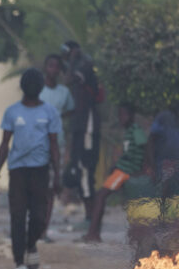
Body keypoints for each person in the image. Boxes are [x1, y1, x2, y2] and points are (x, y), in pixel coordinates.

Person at [0, 69, 62, 269]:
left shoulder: (50, 112)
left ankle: (31, 246)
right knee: (18, 216)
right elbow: (5, 144)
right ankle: (19, 262)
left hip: (41, 170)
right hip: (18, 171)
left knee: (39, 217)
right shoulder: (12, 112)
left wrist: (57, 175)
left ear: (41, 88)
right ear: (23, 87)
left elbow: (54, 145)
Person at [82, 104, 148, 242]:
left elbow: (146, 148)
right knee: (112, 198)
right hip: (122, 169)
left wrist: (144, 169)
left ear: (131, 115)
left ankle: (93, 233)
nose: (121, 118)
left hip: (126, 171)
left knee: (100, 196)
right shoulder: (128, 131)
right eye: (120, 115)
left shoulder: (136, 130)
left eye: (123, 114)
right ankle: (94, 233)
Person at [62, 41, 103, 229]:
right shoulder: (80, 65)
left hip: (88, 126)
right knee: (79, 170)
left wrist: (71, 60)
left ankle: (91, 219)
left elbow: (69, 79)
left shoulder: (84, 65)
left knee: (85, 171)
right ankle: (89, 217)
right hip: (80, 125)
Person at [39, 54, 74, 242]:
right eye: (50, 65)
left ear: (60, 70)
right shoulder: (37, 90)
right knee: (35, 187)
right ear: (45, 68)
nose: (53, 69)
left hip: (56, 145)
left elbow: (70, 110)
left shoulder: (64, 92)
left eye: (56, 66)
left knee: (51, 188)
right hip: (36, 145)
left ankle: (43, 230)